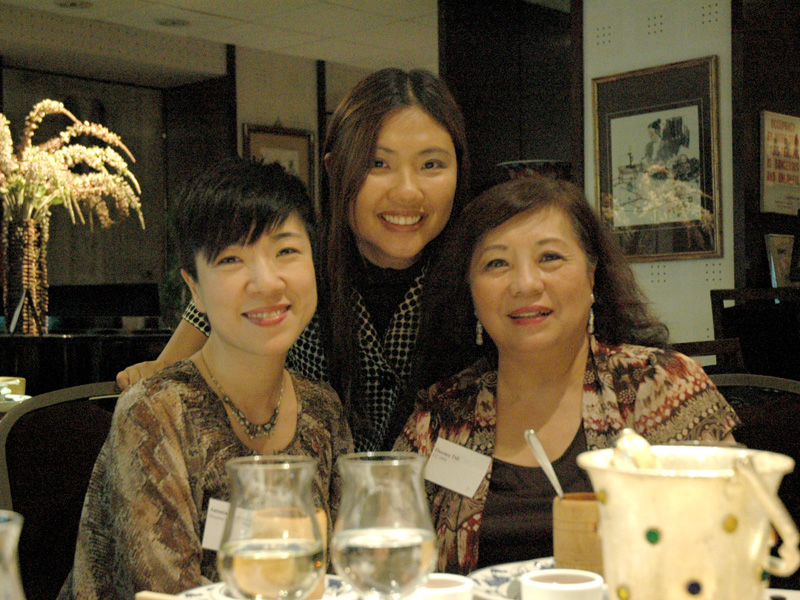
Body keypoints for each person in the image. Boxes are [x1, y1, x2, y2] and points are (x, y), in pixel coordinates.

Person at [394, 176, 739, 575]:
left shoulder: (659, 385)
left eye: (550, 258)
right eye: (496, 263)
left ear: (592, 275)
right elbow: (392, 555)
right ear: (470, 291)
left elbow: (735, 539)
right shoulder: (441, 415)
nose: (525, 284)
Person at [116, 67, 470, 452]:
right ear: (335, 169)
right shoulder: (290, 267)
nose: (407, 191)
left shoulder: (479, 278)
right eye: (377, 163)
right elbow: (171, 368)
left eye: (431, 165)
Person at [58, 159, 353, 599]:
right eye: (231, 259)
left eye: (286, 251)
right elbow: (164, 592)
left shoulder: (321, 409)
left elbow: (342, 579)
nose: (267, 281)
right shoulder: (156, 412)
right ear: (194, 288)